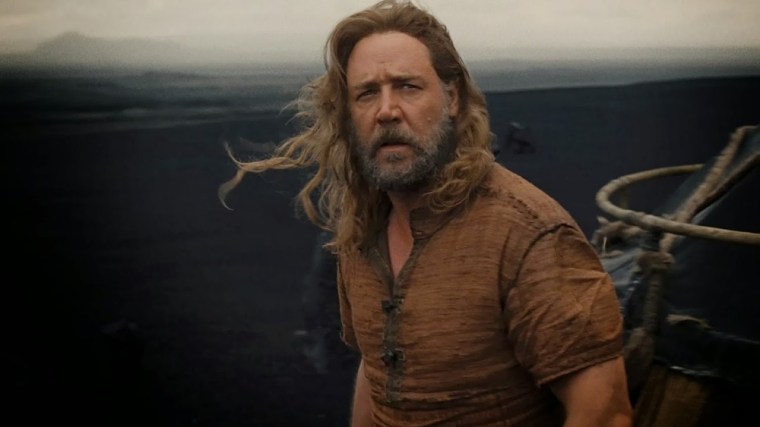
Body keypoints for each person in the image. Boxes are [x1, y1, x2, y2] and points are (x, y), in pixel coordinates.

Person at [219, 1, 632, 425]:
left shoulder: (528, 234)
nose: (386, 110)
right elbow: (376, 369)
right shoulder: (361, 228)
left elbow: (605, 413)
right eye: (366, 93)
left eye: (407, 87)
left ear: (451, 98)